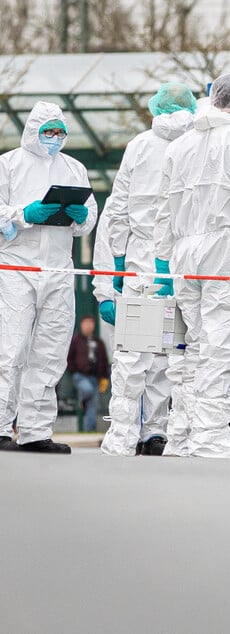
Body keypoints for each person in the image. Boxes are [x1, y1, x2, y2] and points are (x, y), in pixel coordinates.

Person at [154, 74, 230, 459]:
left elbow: (163, 211)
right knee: (221, 343)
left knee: (196, 343)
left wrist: (163, 257)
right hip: (224, 245)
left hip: (184, 251)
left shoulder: (180, 145)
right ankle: (210, 434)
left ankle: (182, 432)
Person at [98, 82, 197, 457]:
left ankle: (123, 434)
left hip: (141, 263)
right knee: (173, 353)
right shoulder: (195, 145)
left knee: (133, 353)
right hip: (184, 262)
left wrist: (117, 269)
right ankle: (157, 431)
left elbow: (118, 208)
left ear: (155, 108)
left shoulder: (139, 146)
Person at [0, 101, 98, 453]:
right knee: (10, 348)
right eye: (48, 131)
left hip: (58, 269)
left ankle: (35, 430)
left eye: (59, 131)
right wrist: (23, 214)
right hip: (16, 268)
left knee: (50, 352)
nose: (55, 138)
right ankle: (0, 425)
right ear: (33, 131)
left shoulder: (74, 168)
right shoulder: (8, 165)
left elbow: (89, 219)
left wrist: (78, 215)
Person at [67, 315, 110, 432]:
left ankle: (89, 428)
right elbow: (69, 358)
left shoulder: (98, 342)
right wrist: (74, 370)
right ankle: (82, 400)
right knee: (88, 391)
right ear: (81, 325)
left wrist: (104, 377)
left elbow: (104, 360)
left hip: (94, 376)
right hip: (80, 375)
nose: (88, 326)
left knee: (92, 405)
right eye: (86, 323)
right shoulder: (76, 340)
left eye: (90, 323)